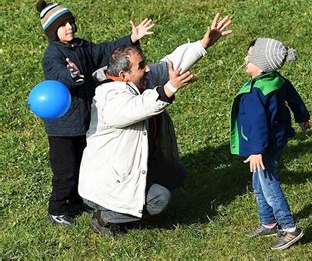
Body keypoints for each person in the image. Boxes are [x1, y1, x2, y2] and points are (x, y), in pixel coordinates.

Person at [78, 13, 232, 236]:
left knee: (175, 173)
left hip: (127, 170)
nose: (148, 69)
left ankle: (126, 206)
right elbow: (139, 107)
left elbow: (169, 63)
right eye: (141, 66)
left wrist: (203, 44)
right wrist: (170, 88)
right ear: (124, 74)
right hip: (107, 184)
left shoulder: (141, 79)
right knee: (160, 199)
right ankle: (105, 216)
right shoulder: (108, 99)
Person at [36, 0, 155, 225]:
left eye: (70, 22)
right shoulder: (53, 55)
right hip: (62, 127)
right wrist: (71, 76)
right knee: (65, 171)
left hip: (83, 121)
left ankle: (76, 201)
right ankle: (57, 209)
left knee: (82, 164)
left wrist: (131, 40)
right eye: (62, 25)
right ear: (53, 32)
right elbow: (58, 77)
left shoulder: (81, 46)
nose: (69, 27)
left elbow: (103, 50)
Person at [229, 38, 311, 250]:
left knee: (269, 184)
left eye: (250, 56)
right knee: (259, 182)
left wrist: (257, 151)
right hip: (277, 140)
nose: (245, 59)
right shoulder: (276, 80)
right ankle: (269, 222)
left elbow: (258, 125)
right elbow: (294, 98)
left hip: (263, 146)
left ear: (261, 63)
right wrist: (302, 116)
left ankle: (290, 229)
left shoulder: (255, 93)